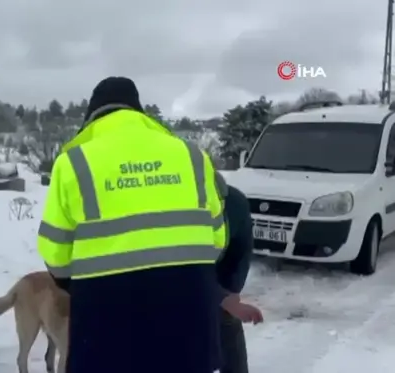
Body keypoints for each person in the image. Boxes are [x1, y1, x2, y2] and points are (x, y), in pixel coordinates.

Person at [37, 76, 227, 373]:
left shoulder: (73, 162)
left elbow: (55, 253)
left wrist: (73, 284)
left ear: (92, 117)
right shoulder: (192, 155)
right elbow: (217, 239)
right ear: (140, 112)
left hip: (107, 323)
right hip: (189, 319)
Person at [214, 172, 264, 373]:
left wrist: (229, 294)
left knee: (227, 322)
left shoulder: (233, 203)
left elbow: (240, 253)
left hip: (212, 283)